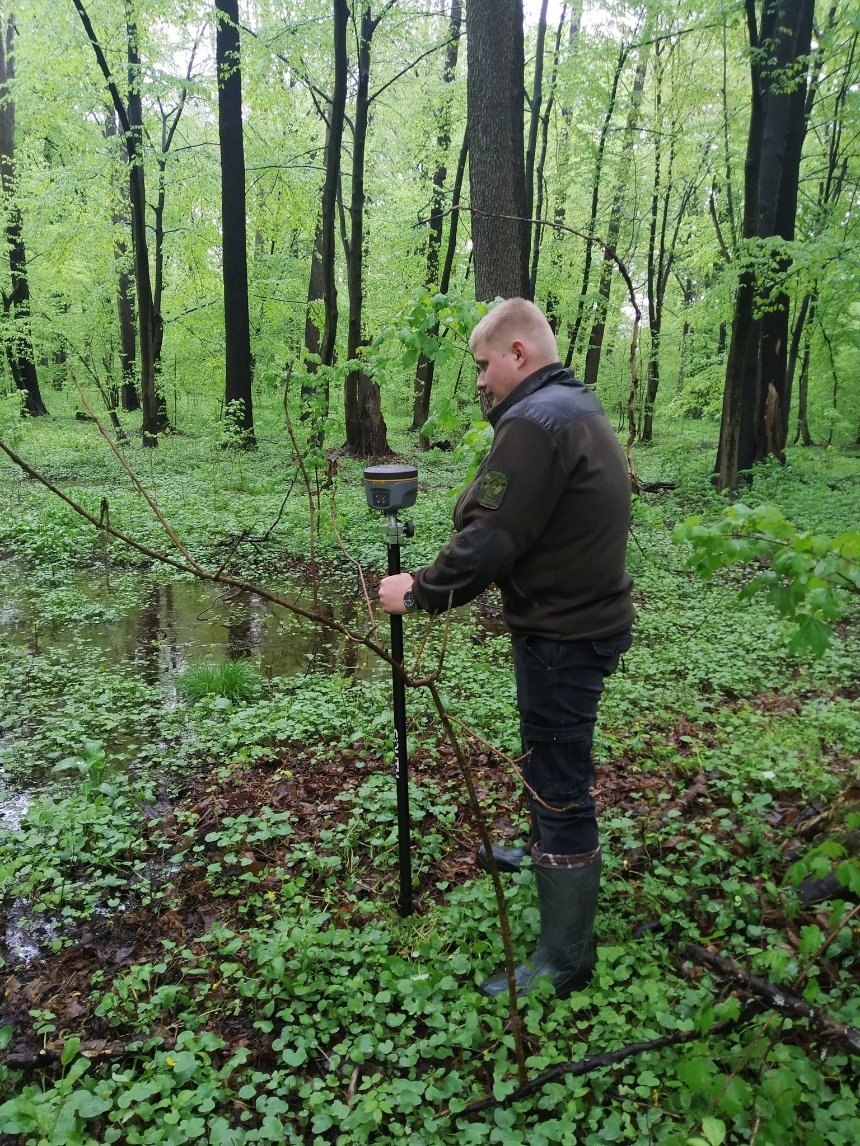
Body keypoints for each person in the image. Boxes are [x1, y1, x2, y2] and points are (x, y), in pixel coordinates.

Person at [378, 298, 633, 998]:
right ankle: (545, 852)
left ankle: (565, 961)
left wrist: (421, 592)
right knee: (547, 756)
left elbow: (489, 538)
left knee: (558, 784)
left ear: (518, 354)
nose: (481, 382)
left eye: (484, 365)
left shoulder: (534, 422)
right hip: (583, 620)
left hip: (565, 633)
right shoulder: (572, 405)